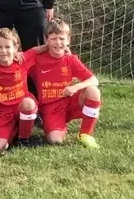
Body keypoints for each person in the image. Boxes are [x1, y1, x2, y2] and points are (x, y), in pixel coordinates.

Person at [29, 19, 101, 148]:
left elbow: (94, 80)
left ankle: (85, 134)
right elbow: (18, 58)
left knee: (93, 91)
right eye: (53, 39)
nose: (58, 43)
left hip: (69, 102)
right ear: (46, 40)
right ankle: (58, 126)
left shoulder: (70, 59)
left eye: (62, 39)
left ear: (68, 40)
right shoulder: (37, 60)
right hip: (50, 108)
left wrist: (75, 87)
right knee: (55, 140)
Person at [0, 28, 43, 151]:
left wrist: (64, 48)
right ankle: (15, 129)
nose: (4, 51)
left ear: (16, 48)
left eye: (7, 47)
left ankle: (23, 139)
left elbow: (39, 49)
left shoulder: (22, 60)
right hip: (2, 115)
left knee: (28, 103)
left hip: (21, 107)